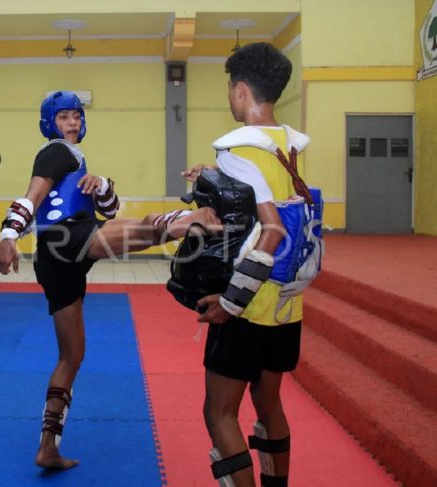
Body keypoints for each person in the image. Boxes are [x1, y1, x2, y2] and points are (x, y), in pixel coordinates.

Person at [0, 90, 221, 470]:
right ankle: (191, 221)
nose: (73, 123)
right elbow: (31, 197)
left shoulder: (77, 161)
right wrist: (7, 235)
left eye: (77, 117)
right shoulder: (55, 152)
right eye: (65, 117)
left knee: (72, 355)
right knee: (147, 228)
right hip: (67, 240)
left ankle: (47, 447)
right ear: (50, 122)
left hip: (60, 255)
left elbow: (109, 209)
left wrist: (100, 186)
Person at [191, 42, 310, 487]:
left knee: (218, 412)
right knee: (269, 404)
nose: (229, 96)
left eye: (229, 88)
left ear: (241, 91)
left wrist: (231, 301)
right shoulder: (288, 146)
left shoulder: (237, 150)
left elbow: (273, 230)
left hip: (250, 307)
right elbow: (270, 195)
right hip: (286, 306)